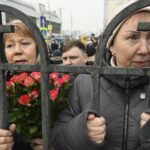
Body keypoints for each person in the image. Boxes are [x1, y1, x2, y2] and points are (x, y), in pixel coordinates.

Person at [52, 0, 150, 150]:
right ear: (111, 44)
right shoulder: (84, 83)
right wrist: (82, 132)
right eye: (132, 38)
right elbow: (56, 140)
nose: (144, 49)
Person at [1, 19, 43, 150]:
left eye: (25, 43)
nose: (17, 51)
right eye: (10, 45)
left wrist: (56, 144)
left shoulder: (58, 82)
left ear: (39, 47)